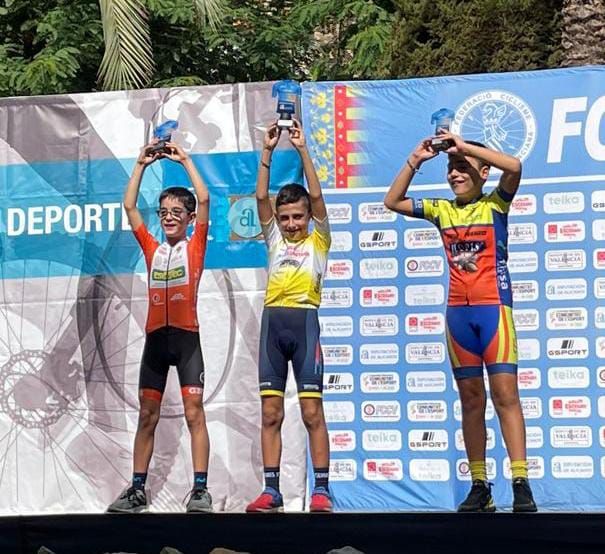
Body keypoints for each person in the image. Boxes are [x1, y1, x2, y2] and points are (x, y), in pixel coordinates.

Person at [384, 132, 537, 513]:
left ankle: (521, 481)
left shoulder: (496, 203)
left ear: (483, 173)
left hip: (494, 312)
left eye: (463, 168)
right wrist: (415, 159)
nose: (455, 173)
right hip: (458, 317)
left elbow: (514, 167)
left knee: (505, 396)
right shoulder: (442, 210)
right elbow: (392, 201)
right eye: (451, 168)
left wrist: (464, 147)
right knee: (471, 400)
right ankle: (480, 485)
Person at [107, 139, 212, 513]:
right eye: (164, 212)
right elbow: (130, 206)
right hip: (155, 341)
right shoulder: (153, 249)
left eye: (176, 212)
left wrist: (184, 160)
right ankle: (137, 490)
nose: (168, 217)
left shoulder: (194, 246)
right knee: (146, 416)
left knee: (194, 413)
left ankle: (200, 490)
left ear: (189, 219)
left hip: (186, 340)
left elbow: (205, 198)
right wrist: (140, 164)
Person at [246, 120, 333, 513]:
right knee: (270, 413)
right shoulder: (275, 240)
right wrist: (267, 152)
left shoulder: (319, 239)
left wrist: (302, 149)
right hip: (273, 327)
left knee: (312, 412)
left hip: (304, 325)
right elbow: (260, 197)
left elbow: (316, 196)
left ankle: (322, 490)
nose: (292, 224)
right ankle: (272, 490)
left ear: (308, 217)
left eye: (298, 217)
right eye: (286, 218)